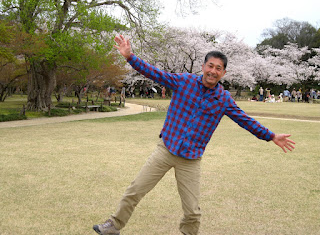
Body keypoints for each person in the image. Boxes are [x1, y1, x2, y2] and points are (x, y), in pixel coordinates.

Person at [93, 35, 296, 235]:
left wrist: (270, 136)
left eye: (218, 68)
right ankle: (114, 225)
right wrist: (130, 57)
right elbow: (154, 73)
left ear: (223, 73)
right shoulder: (184, 81)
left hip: (191, 159)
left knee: (192, 212)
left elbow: (245, 120)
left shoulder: (224, 99)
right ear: (203, 66)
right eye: (210, 66)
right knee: (134, 191)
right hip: (166, 149)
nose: (213, 71)